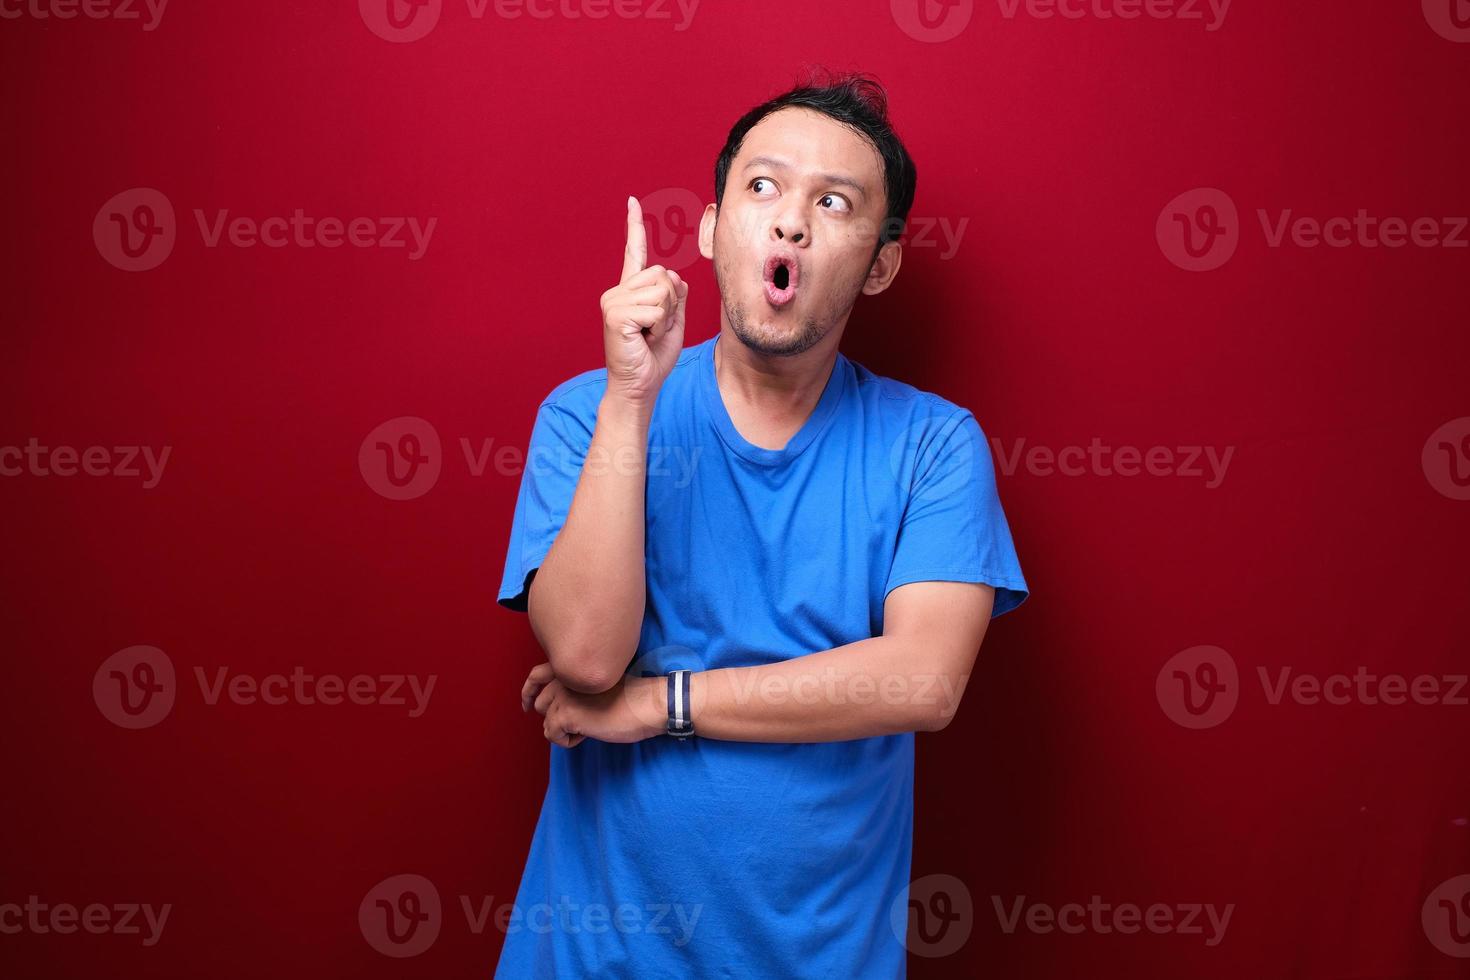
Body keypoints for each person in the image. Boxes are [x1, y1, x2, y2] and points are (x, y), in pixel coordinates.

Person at [495, 70, 1029, 978]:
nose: (791, 222)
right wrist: (633, 395)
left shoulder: (934, 445)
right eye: (763, 187)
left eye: (834, 202)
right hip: (591, 958)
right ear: (710, 228)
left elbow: (923, 681)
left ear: (882, 261)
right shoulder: (589, 415)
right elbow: (584, 655)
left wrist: (658, 706)